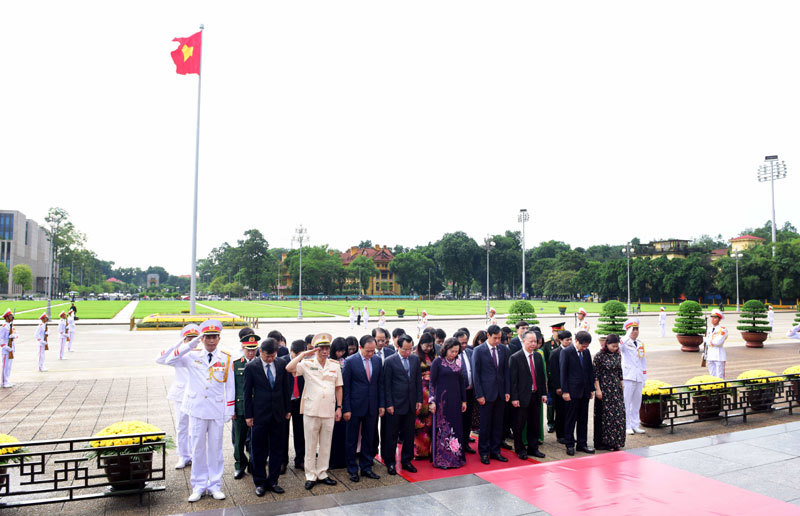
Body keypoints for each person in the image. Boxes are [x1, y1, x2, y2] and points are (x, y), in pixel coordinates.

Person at [165, 319, 234, 502]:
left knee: (215, 449)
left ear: (219, 338)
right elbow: (168, 359)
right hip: (196, 409)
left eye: (214, 337)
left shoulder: (226, 357)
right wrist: (189, 345)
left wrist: (229, 409)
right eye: (207, 337)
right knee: (197, 449)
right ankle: (198, 485)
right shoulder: (192, 354)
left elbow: (230, 386)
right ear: (202, 339)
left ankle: (215, 485)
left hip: (217, 409)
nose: (211, 341)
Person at [287, 333, 343, 490]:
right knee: (310, 445)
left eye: (327, 348)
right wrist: (304, 354)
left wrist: (339, 407)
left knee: (326, 444)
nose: (325, 351)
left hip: (329, 409)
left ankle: (322, 473)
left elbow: (339, 387)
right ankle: (310, 475)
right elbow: (289, 368)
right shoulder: (306, 363)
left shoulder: (334, 365)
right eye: (321, 348)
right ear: (316, 349)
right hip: (311, 410)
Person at [244, 338, 291, 496]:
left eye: (272, 356)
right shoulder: (251, 367)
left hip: (278, 413)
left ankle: (273, 480)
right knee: (258, 450)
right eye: (266, 356)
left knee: (277, 449)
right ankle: (260, 482)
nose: (270, 359)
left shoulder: (280, 364)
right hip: (259, 415)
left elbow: (286, 388)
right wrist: (248, 415)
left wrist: (287, 409)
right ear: (260, 352)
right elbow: (247, 393)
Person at [156, 323, 200, 469]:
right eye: (189, 338)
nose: (192, 341)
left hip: (197, 395)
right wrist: (179, 344)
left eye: (195, 338)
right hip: (181, 394)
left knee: (195, 428)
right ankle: (183, 455)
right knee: (181, 426)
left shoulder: (201, 354)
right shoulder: (179, 354)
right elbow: (160, 359)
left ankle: (195, 455)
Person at [342, 334, 384, 482]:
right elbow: (345, 387)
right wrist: (345, 408)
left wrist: (381, 405)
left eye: (373, 351)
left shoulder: (377, 361)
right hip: (354, 406)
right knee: (351, 439)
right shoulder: (350, 361)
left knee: (368, 437)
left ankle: (366, 467)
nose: (370, 354)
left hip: (372, 406)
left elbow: (380, 384)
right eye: (367, 351)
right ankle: (352, 469)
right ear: (360, 348)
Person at [382, 334, 422, 474]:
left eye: (410, 349)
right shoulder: (390, 361)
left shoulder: (414, 360)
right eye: (405, 349)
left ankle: (406, 460)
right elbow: (386, 385)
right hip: (395, 404)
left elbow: (418, 381)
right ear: (398, 347)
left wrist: (419, 400)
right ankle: (390, 461)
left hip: (410, 403)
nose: (408, 352)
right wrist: (389, 404)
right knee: (392, 435)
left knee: (409, 434)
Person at [472, 324, 510, 464]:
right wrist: (479, 394)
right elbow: (476, 374)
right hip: (486, 394)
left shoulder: (503, 349)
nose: (498, 341)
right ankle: (484, 452)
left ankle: (495, 451)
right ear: (488, 336)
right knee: (486, 425)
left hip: (500, 393)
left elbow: (506, 371)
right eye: (495, 338)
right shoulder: (479, 350)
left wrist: (507, 391)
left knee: (498, 424)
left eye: (500, 338)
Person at [509, 330, 547, 460]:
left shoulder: (537, 356)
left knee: (534, 424)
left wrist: (543, 393)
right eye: (530, 341)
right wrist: (514, 398)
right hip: (521, 397)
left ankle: (533, 448)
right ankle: (520, 449)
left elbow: (541, 377)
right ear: (523, 341)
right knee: (519, 425)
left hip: (535, 396)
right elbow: (512, 381)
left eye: (535, 341)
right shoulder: (515, 357)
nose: (533, 344)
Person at [430, 338, 467, 469]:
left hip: (455, 400)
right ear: (446, 349)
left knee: (456, 427)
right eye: (452, 351)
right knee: (443, 428)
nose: (454, 354)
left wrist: (464, 400)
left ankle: (455, 457)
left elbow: (461, 382)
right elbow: (432, 383)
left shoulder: (458, 361)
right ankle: (442, 459)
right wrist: (431, 401)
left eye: (456, 351)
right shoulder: (438, 362)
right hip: (442, 401)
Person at [560, 330, 595, 456]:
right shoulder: (566, 352)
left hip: (584, 392)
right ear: (576, 341)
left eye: (587, 346)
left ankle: (582, 444)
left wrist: (591, 389)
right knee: (570, 419)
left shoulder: (586, 352)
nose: (585, 348)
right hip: (572, 392)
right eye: (583, 345)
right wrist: (565, 391)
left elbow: (590, 371)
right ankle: (569, 444)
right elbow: (563, 373)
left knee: (583, 419)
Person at [233, 329, 260, 479]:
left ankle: (253, 464)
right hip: (241, 407)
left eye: (253, 350)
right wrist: (231, 409)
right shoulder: (236, 365)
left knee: (256, 439)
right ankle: (239, 465)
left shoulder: (260, 364)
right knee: (239, 440)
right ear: (242, 348)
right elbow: (232, 388)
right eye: (248, 350)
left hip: (257, 407)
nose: (251, 353)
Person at [593, 333, 625, 451]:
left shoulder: (617, 355)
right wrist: (598, 390)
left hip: (616, 389)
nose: (615, 349)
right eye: (613, 346)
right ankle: (605, 442)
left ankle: (616, 441)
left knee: (618, 415)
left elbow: (619, 371)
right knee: (606, 417)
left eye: (617, 346)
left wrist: (622, 384)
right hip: (604, 389)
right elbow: (595, 375)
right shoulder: (599, 356)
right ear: (606, 344)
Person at [621, 318, 647, 435]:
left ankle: (635, 424)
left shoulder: (640, 343)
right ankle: (627, 425)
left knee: (637, 402)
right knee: (626, 402)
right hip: (628, 376)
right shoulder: (624, 342)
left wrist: (644, 376)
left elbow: (643, 361)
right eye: (633, 329)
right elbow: (619, 349)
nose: (635, 331)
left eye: (637, 329)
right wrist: (626, 336)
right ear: (628, 330)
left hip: (638, 376)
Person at [371, 327, 394, 458]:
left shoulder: (390, 352)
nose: (380, 343)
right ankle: (373, 450)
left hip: (389, 394)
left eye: (383, 340)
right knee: (372, 425)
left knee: (388, 426)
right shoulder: (368, 353)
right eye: (378, 340)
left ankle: (386, 452)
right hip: (374, 394)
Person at [285, 340, 307, 473]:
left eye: (302, 354)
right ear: (290, 352)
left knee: (301, 432)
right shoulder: (283, 362)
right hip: (286, 401)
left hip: (300, 401)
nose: (299, 357)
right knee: (283, 432)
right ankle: (283, 461)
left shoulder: (306, 363)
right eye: (296, 355)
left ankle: (300, 459)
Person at [414, 332, 436, 459]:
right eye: (426, 346)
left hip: (433, 391)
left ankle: (430, 450)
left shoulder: (434, 355)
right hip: (421, 392)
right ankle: (419, 451)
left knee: (430, 422)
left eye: (430, 346)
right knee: (420, 424)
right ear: (420, 344)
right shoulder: (415, 356)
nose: (428, 348)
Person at [548, 330, 572, 443]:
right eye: (567, 340)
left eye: (571, 339)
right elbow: (554, 372)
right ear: (561, 340)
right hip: (559, 388)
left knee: (570, 412)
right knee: (561, 412)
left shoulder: (572, 351)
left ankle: (569, 434)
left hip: (571, 387)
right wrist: (558, 387)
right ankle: (560, 435)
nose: (570, 342)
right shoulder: (555, 353)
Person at [328, 337, 349, 469]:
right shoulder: (329, 362)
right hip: (330, 398)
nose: (340, 354)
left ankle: (341, 459)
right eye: (338, 351)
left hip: (342, 399)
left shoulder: (346, 362)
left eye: (342, 351)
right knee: (330, 433)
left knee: (342, 432)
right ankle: (332, 459)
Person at [454, 330, 476, 454]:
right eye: (461, 343)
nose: (464, 345)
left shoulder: (470, 352)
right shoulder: (452, 355)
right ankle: (457, 445)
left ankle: (465, 443)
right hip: (457, 394)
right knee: (458, 420)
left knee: (468, 419)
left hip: (470, 392)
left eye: (465, 342)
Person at [544, 322, 564, 432]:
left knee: (561, 403)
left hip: (561, 377)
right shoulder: (547, 344)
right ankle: (551, 422)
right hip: (551, 377)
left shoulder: (564, 344)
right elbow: (545, 361)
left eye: (561, 331)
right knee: (551, 402)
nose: (559, 334)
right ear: (553, 331)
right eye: (558, 332)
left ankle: (559, 422)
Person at [704, 309, 728, 378]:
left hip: (719, 355)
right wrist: (705, 354)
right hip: (710, 355)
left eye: (715, 318)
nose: (713, 319)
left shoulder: (722, 329)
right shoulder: (709, 329)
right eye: (712, 317)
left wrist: (707, 341)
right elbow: (707, 342)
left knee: (720, 376)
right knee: (712, 375)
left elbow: (718, 342)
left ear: (719, 319)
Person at [0, 309, 18, 388]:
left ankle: (7, 380)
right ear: (7, 317)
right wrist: (6, 347)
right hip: (6, 349)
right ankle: (4, 382)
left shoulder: (11, 326)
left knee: (9, 366)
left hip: (11, 348)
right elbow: (1, 339)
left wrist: (14, 336)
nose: (12, 317)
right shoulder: (4, 327)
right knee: (5, 366)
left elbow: (17, 334)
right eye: (10, 315)